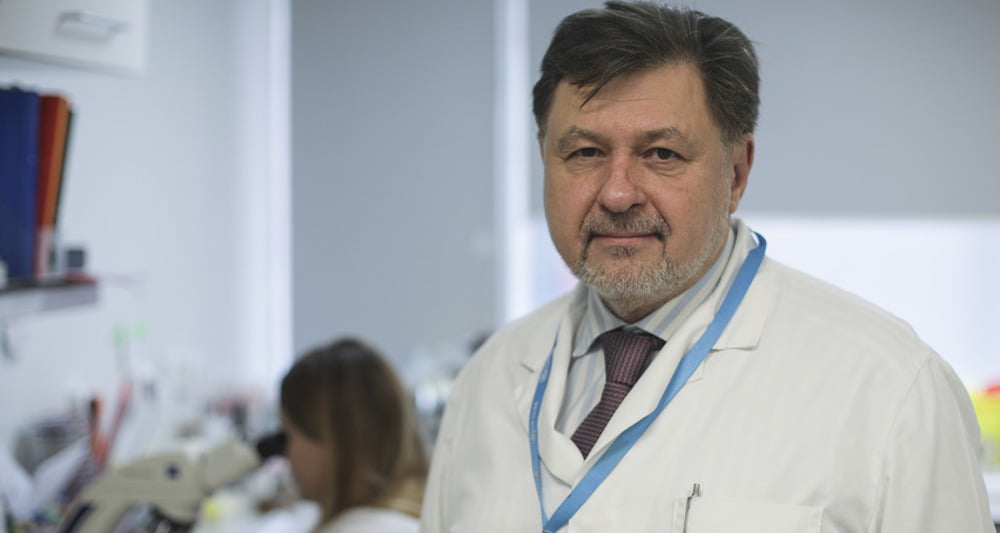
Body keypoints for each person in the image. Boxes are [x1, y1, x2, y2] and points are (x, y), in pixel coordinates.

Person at [420, 2, 994, 532]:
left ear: (736, 173)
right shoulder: (488, 381)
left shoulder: (890, 390)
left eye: (661, 154)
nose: (617, 194)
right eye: (585, 153)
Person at [280, 337, 428, 533]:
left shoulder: (355, 528)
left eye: (288, 436)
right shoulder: (419, 518)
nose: (286, 455)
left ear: (330, 438)